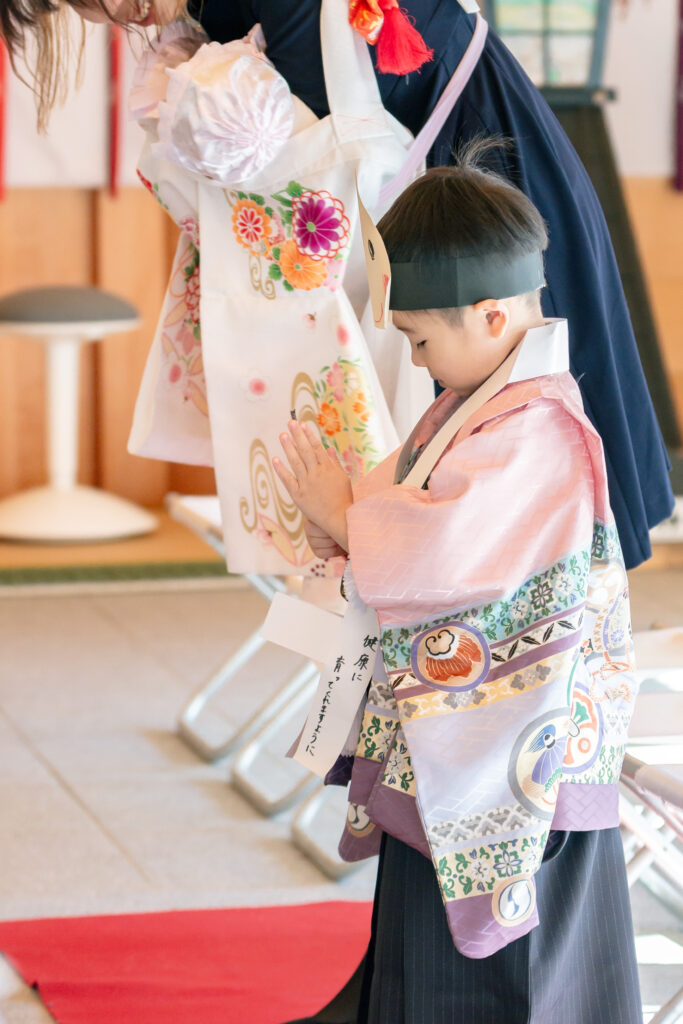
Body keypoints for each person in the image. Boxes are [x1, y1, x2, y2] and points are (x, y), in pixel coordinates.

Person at [0, 0, 673, 567]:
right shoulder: (209, 11)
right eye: (79, 8)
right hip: (404, 211)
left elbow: (319, 128)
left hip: (476, 179)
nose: (109, 16)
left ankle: (547, 643)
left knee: (518, 449)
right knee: (454, 473)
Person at [272, 148, 643, 1023]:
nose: (419, 362)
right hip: (459, 734)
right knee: (436, 967)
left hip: (521, 756)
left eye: (419, 340)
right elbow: (405, 509)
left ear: (490, 315)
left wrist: (345, 515)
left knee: (514, 984)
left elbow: (442, 551)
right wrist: (343, 518)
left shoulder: (538, 426)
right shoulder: (481, 401)